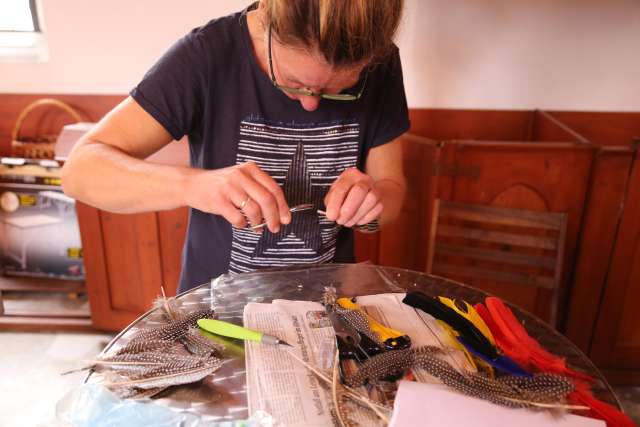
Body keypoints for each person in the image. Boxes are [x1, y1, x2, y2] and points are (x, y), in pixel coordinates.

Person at [62, 0, 409, 293]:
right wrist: (196, 185)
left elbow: (390, 190)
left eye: (339, 89)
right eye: (294, 83)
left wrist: (371, 206)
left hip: (327, 308)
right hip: (217, 314)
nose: (311, 105)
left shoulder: (381, 62)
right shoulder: (208, 56)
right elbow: (80, 170)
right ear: (270, 25)